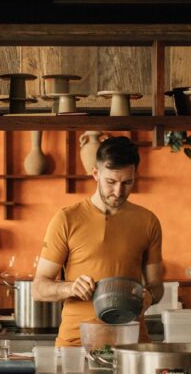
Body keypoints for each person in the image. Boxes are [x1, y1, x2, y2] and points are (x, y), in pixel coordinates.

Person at [32, 136, 164, 347]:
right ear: (96, 173)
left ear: (134, 176)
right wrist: (70, 288)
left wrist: (149, 296)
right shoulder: (66, 219)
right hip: (76, 345)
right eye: (110, 182)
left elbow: (157, 285)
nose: (118, 192)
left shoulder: (148, 221)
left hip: (131, 343)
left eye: (127, 182)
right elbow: (38, 288)